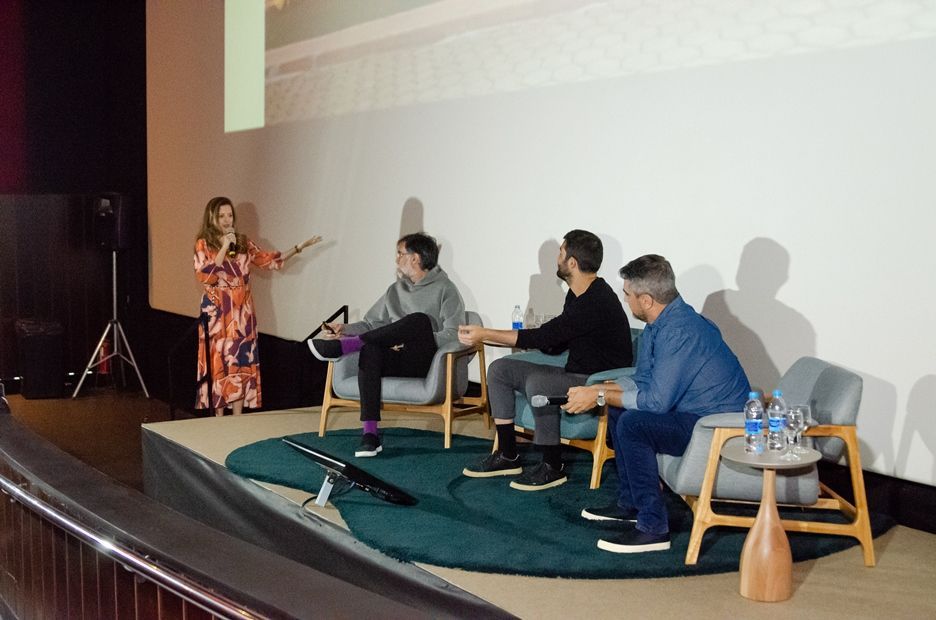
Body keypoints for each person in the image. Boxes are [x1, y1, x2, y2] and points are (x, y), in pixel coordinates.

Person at [563, 254, 750, 553]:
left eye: (627, 294)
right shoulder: (659, 324)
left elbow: (656, 401)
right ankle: (631, 505)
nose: (625, 299)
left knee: (635, 424)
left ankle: (653, 528)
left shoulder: (680, 330)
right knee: (620, 408)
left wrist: (598, 395)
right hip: (691, 415)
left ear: (646, 300)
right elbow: (644, 379)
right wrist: (601, 389)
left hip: (716, 427)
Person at [458, 230, 632, 491]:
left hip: (595, 382)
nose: (557, 258)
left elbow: (547, 335)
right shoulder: (576, 295)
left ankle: (553, 466)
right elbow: (555, 341)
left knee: (541, 380)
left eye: (561, 252)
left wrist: (486, 333)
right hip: (573, 371)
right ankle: (508, 455)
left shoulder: (597, 300)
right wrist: (495, 339)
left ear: (572, 262)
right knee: (500, 369)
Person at [307, 232, 465, 457]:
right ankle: (370, 435)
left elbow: (453, 334)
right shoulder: (395, 290)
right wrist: (345, 329)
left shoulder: (446, 289)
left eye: (400, 254)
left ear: (415, 258)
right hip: (396, 358)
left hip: (426, 362)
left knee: (418, 320)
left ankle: (348, 346)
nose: (396, 259)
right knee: (371, 348)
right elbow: (372, 323)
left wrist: (414, 337)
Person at [195, 196, 321, 417]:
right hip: (218, 313)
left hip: (243, 313)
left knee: (241, 363)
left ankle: (237, 418)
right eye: (222, 216)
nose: (227, 220)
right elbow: (205, 276)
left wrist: (299, 247)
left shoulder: (242, 242)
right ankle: (218, 420)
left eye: (230, 215)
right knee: (221, 363)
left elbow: (269, 260)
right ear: (212, 217)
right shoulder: (203, 243)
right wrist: (224, 246)